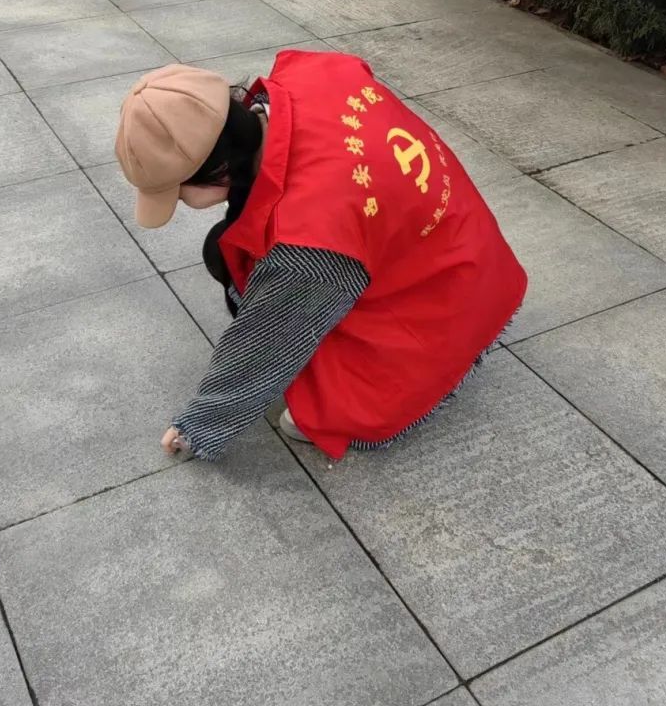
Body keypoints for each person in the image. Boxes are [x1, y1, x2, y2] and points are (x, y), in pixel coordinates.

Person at [115, 51, 527, 462]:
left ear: (219, 169)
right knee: (226, 246)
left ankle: (424, 373)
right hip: (465, 246)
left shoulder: (310, 237)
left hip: (451, 303)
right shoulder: (312, 76)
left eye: (177, 193)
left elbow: (268, 342)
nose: (180, 203)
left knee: (310, 414)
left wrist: (199, 424)